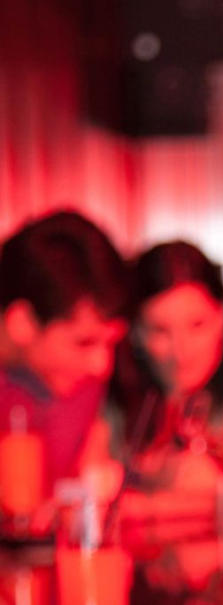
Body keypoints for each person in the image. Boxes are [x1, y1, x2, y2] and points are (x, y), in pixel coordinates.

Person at [110, 240, 223, 601]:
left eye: (197, 324)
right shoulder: (119, 390)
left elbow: (213, 483)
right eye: (159, 330)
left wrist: (146, 501)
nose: (181, 350)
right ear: (136, 333)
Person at [0, 210, 128, 525]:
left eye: (111, 343)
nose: (102, 365)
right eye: (84, 343)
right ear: (22, 324)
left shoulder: (75, 383)